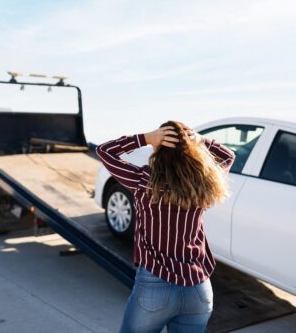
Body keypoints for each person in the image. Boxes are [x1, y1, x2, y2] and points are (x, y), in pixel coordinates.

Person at [96, 120, 235, 333]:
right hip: (198, 289)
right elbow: (228, 156)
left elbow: (104, 151)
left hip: (155, 284)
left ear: (157, 148)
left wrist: (145, 138)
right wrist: (200, 140)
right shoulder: (204, 182)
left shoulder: (144, 181)